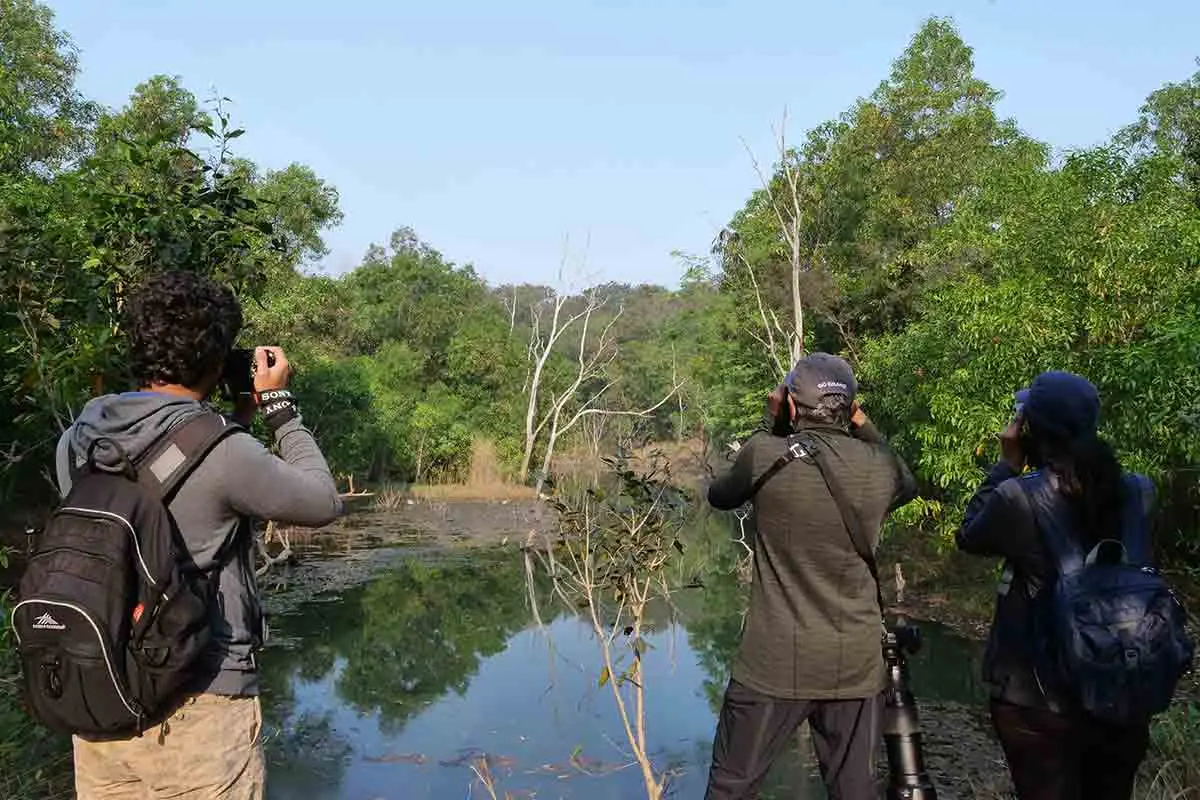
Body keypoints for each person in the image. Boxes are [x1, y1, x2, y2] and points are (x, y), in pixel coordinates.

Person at [53, 270, 344, 799]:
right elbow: (322, 501)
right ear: (216, 358)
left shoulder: (79, 440)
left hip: (103, 697)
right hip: (201, 706)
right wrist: (279, 410)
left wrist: (235, 420)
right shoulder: (225, 452)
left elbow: (171, 487)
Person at [703, 352, 919, 800]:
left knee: (731, 786)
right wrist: (864, 424)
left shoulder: (764, 453)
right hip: (855, 664)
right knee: (855, 790)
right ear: (850, 408)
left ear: (791, 405)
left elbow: (720, 495)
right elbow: (907, 483)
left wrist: (772, 423)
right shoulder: (878, 468)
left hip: (774, 664)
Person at [956, 371, 1156, 800]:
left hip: (1038, 700)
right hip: (1122, 690)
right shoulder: (1139, 492)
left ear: (1030, 431)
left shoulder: (1018, 498)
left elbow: (969, 535)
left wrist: (1006, 465)